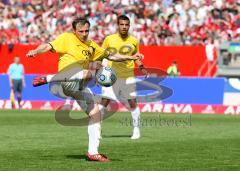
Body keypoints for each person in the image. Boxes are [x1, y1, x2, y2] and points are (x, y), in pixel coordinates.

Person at [26, 17, 143, 162]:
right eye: (81, 31)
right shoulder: (66, 38)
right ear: (74, 31)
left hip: (80, 85)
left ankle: (93, 152)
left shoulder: (91, 45)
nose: (84, 33)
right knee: (94, 70)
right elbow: (48, 46)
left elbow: (111, 55)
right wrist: (36, 51)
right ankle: (49, 78)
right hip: (67, 80)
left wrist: (130, 56)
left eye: (87, 31)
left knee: (95, 114)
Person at [100, 15, 148, 140]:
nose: (124, 27)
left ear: (129, 26)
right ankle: (97, 128)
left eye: (126, 25)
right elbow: (102, 55)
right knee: (104, 101)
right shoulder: (109, 39)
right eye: (122, 24)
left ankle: (136, 130)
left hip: (128, 75)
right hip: (111, 75)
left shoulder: (134, 41)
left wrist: (142, 67)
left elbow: (135, 57)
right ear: (118, 25)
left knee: (132, 102)